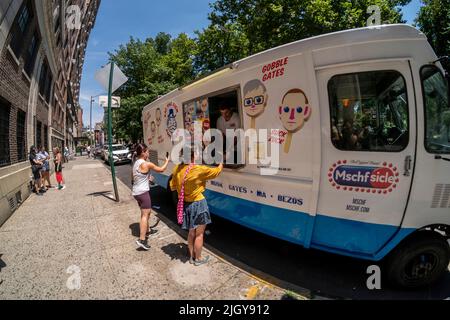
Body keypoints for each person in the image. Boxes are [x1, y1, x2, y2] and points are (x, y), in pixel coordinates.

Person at [170, 146, 223, 266]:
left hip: (186, 205)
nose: (199, 154)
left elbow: (173, 186)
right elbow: (216, 172)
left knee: (191, 232)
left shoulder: (177, 169)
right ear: (193, 156)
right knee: (199, 234)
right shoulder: (198, 169)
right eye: (198, 153)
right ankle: (198, 258)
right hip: (199, 204)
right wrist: (221, 162)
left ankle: (191, 257)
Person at [133, 143, 170, 251]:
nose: (149, 153)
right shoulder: (146, 164)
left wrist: (146, 177)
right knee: (145, 215)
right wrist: (167, 160)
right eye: (148, 151)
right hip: (143, 193)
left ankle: (148, 230)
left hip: (136, 192)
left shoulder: (136, 163)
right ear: (143, 152)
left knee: (145, 213)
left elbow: (133, 176)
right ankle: (142, 240)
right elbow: (161, 169)